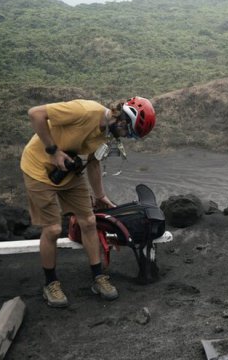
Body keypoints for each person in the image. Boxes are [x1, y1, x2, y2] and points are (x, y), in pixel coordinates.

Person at [20, 97, 156, 307]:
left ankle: (98, 277)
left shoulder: (106, 133)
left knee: (89, 222)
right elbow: (35, 113)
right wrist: (54, 151)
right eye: (129, 133)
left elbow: (93, 164)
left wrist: (100, 195)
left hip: (68, 172)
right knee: (53, 229)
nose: (126, 137)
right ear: (123, 121)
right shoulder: (85, 111)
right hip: (38, 168)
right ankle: (51, 283)